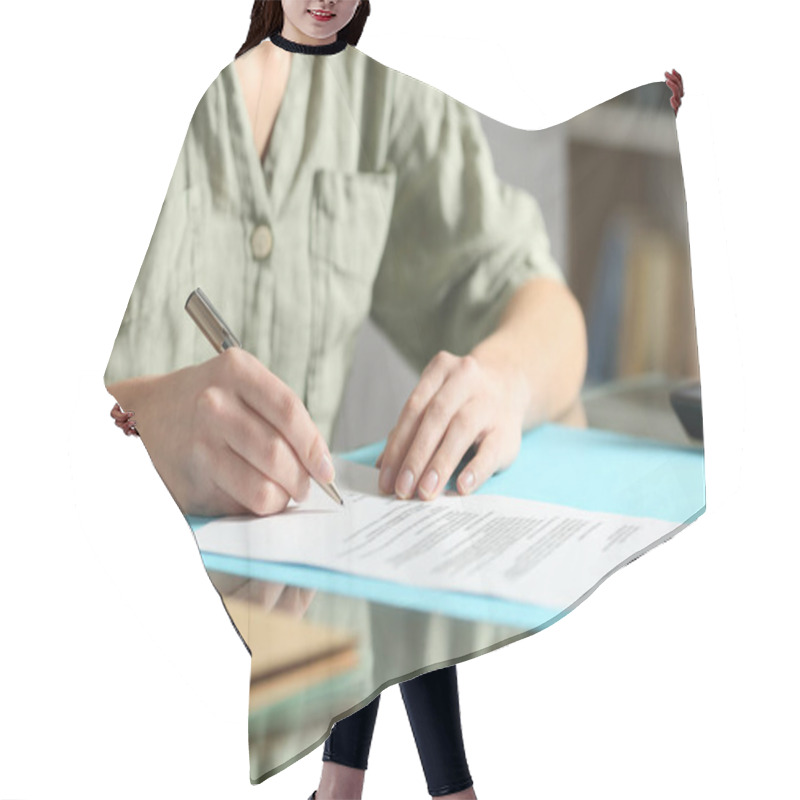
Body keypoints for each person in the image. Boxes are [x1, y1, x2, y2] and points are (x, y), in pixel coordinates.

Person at [105, 1, 587, 797]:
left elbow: (549, 313)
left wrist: (503, 380)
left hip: (303, 612)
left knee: (389, 614)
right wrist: (142, 422)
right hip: (125, 624)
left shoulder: (378, 87)